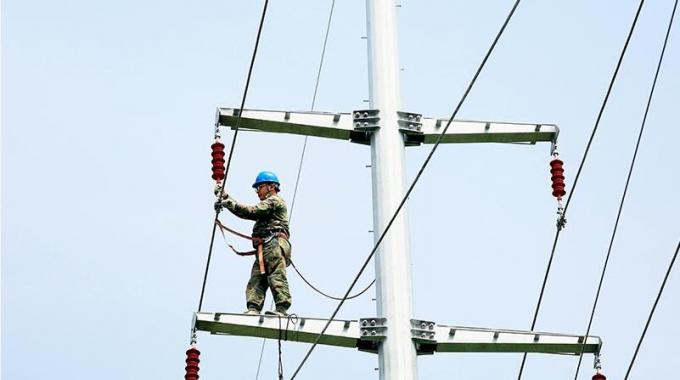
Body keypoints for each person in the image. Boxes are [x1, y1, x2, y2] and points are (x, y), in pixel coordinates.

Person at [215, 171, 292, 316]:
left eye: (260, 187)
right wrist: (225, 196)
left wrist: (229, 203)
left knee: (276, 275)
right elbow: (247, 212)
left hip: (274, 244)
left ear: (271, 187)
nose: (257, 191)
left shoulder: (275, 201)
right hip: (265, 247)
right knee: (257, 278)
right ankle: (253, 308)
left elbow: (251, 212)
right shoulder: (268, 203)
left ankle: (282, 309)